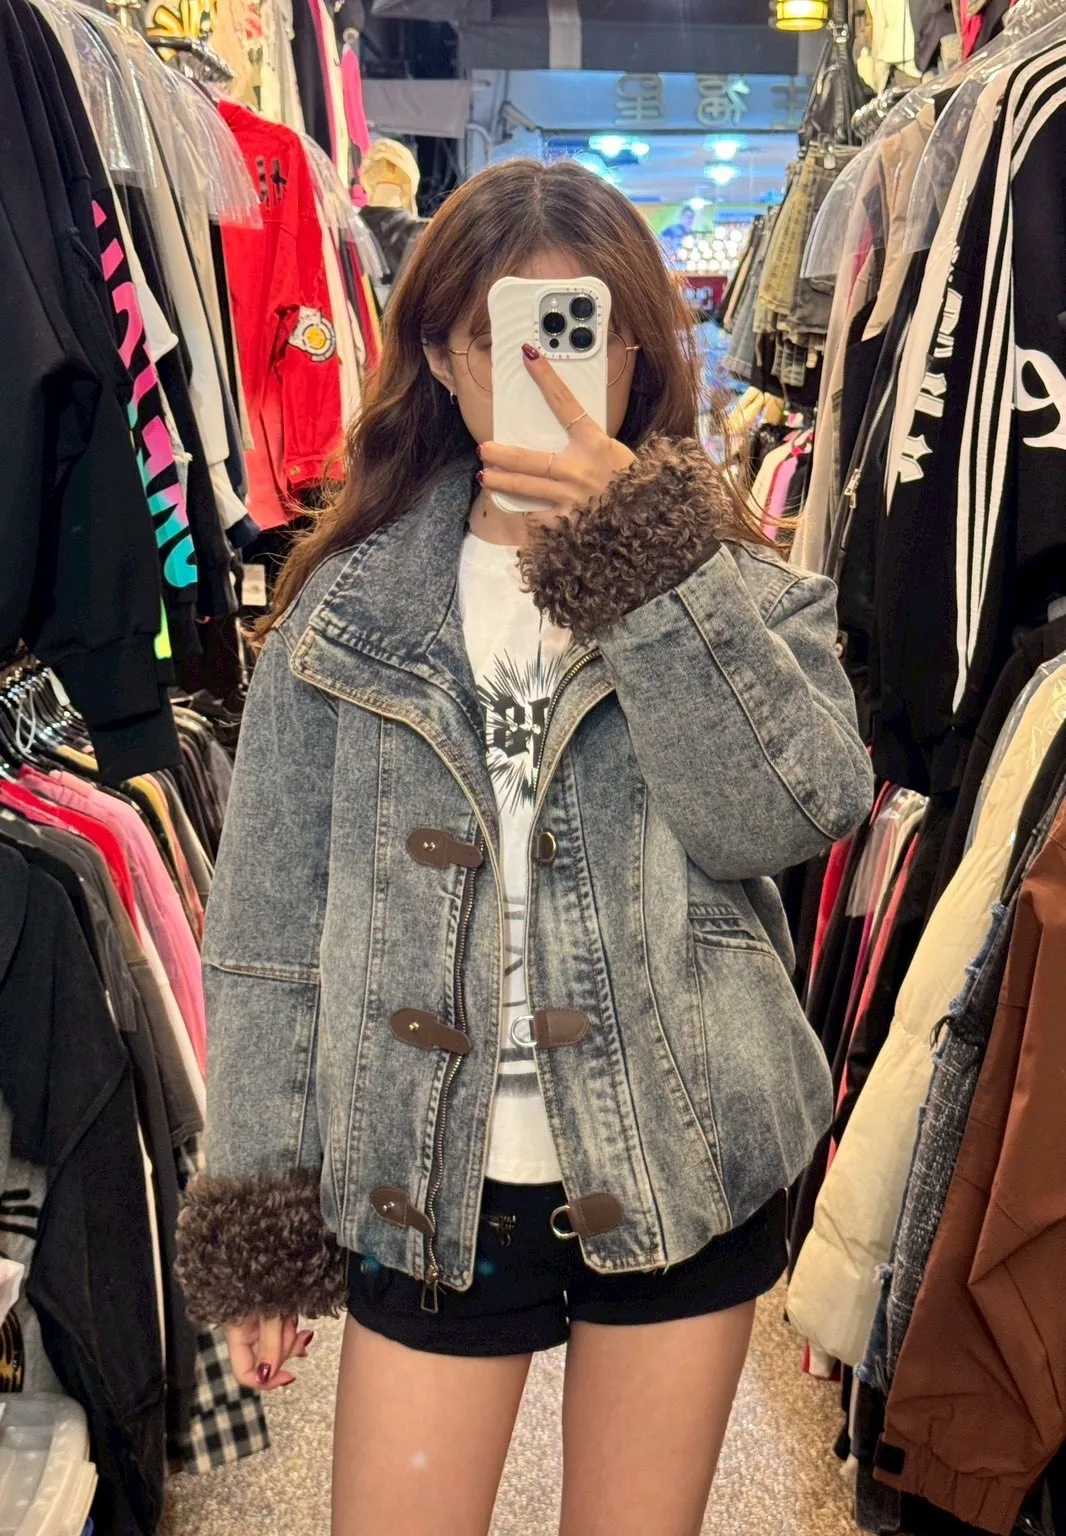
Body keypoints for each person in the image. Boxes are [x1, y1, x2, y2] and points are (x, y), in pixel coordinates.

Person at [176, 157, 873, 1536]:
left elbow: (783, 818)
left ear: (636, 351)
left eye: (583, 330)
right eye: (507, 334)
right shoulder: (346, 610)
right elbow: (265, 936)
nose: (548, 372)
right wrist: (261, 1212)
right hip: (424, 1173)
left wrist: (644, 568)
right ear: (443, 355)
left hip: (674, 1150)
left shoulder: (737, 588)